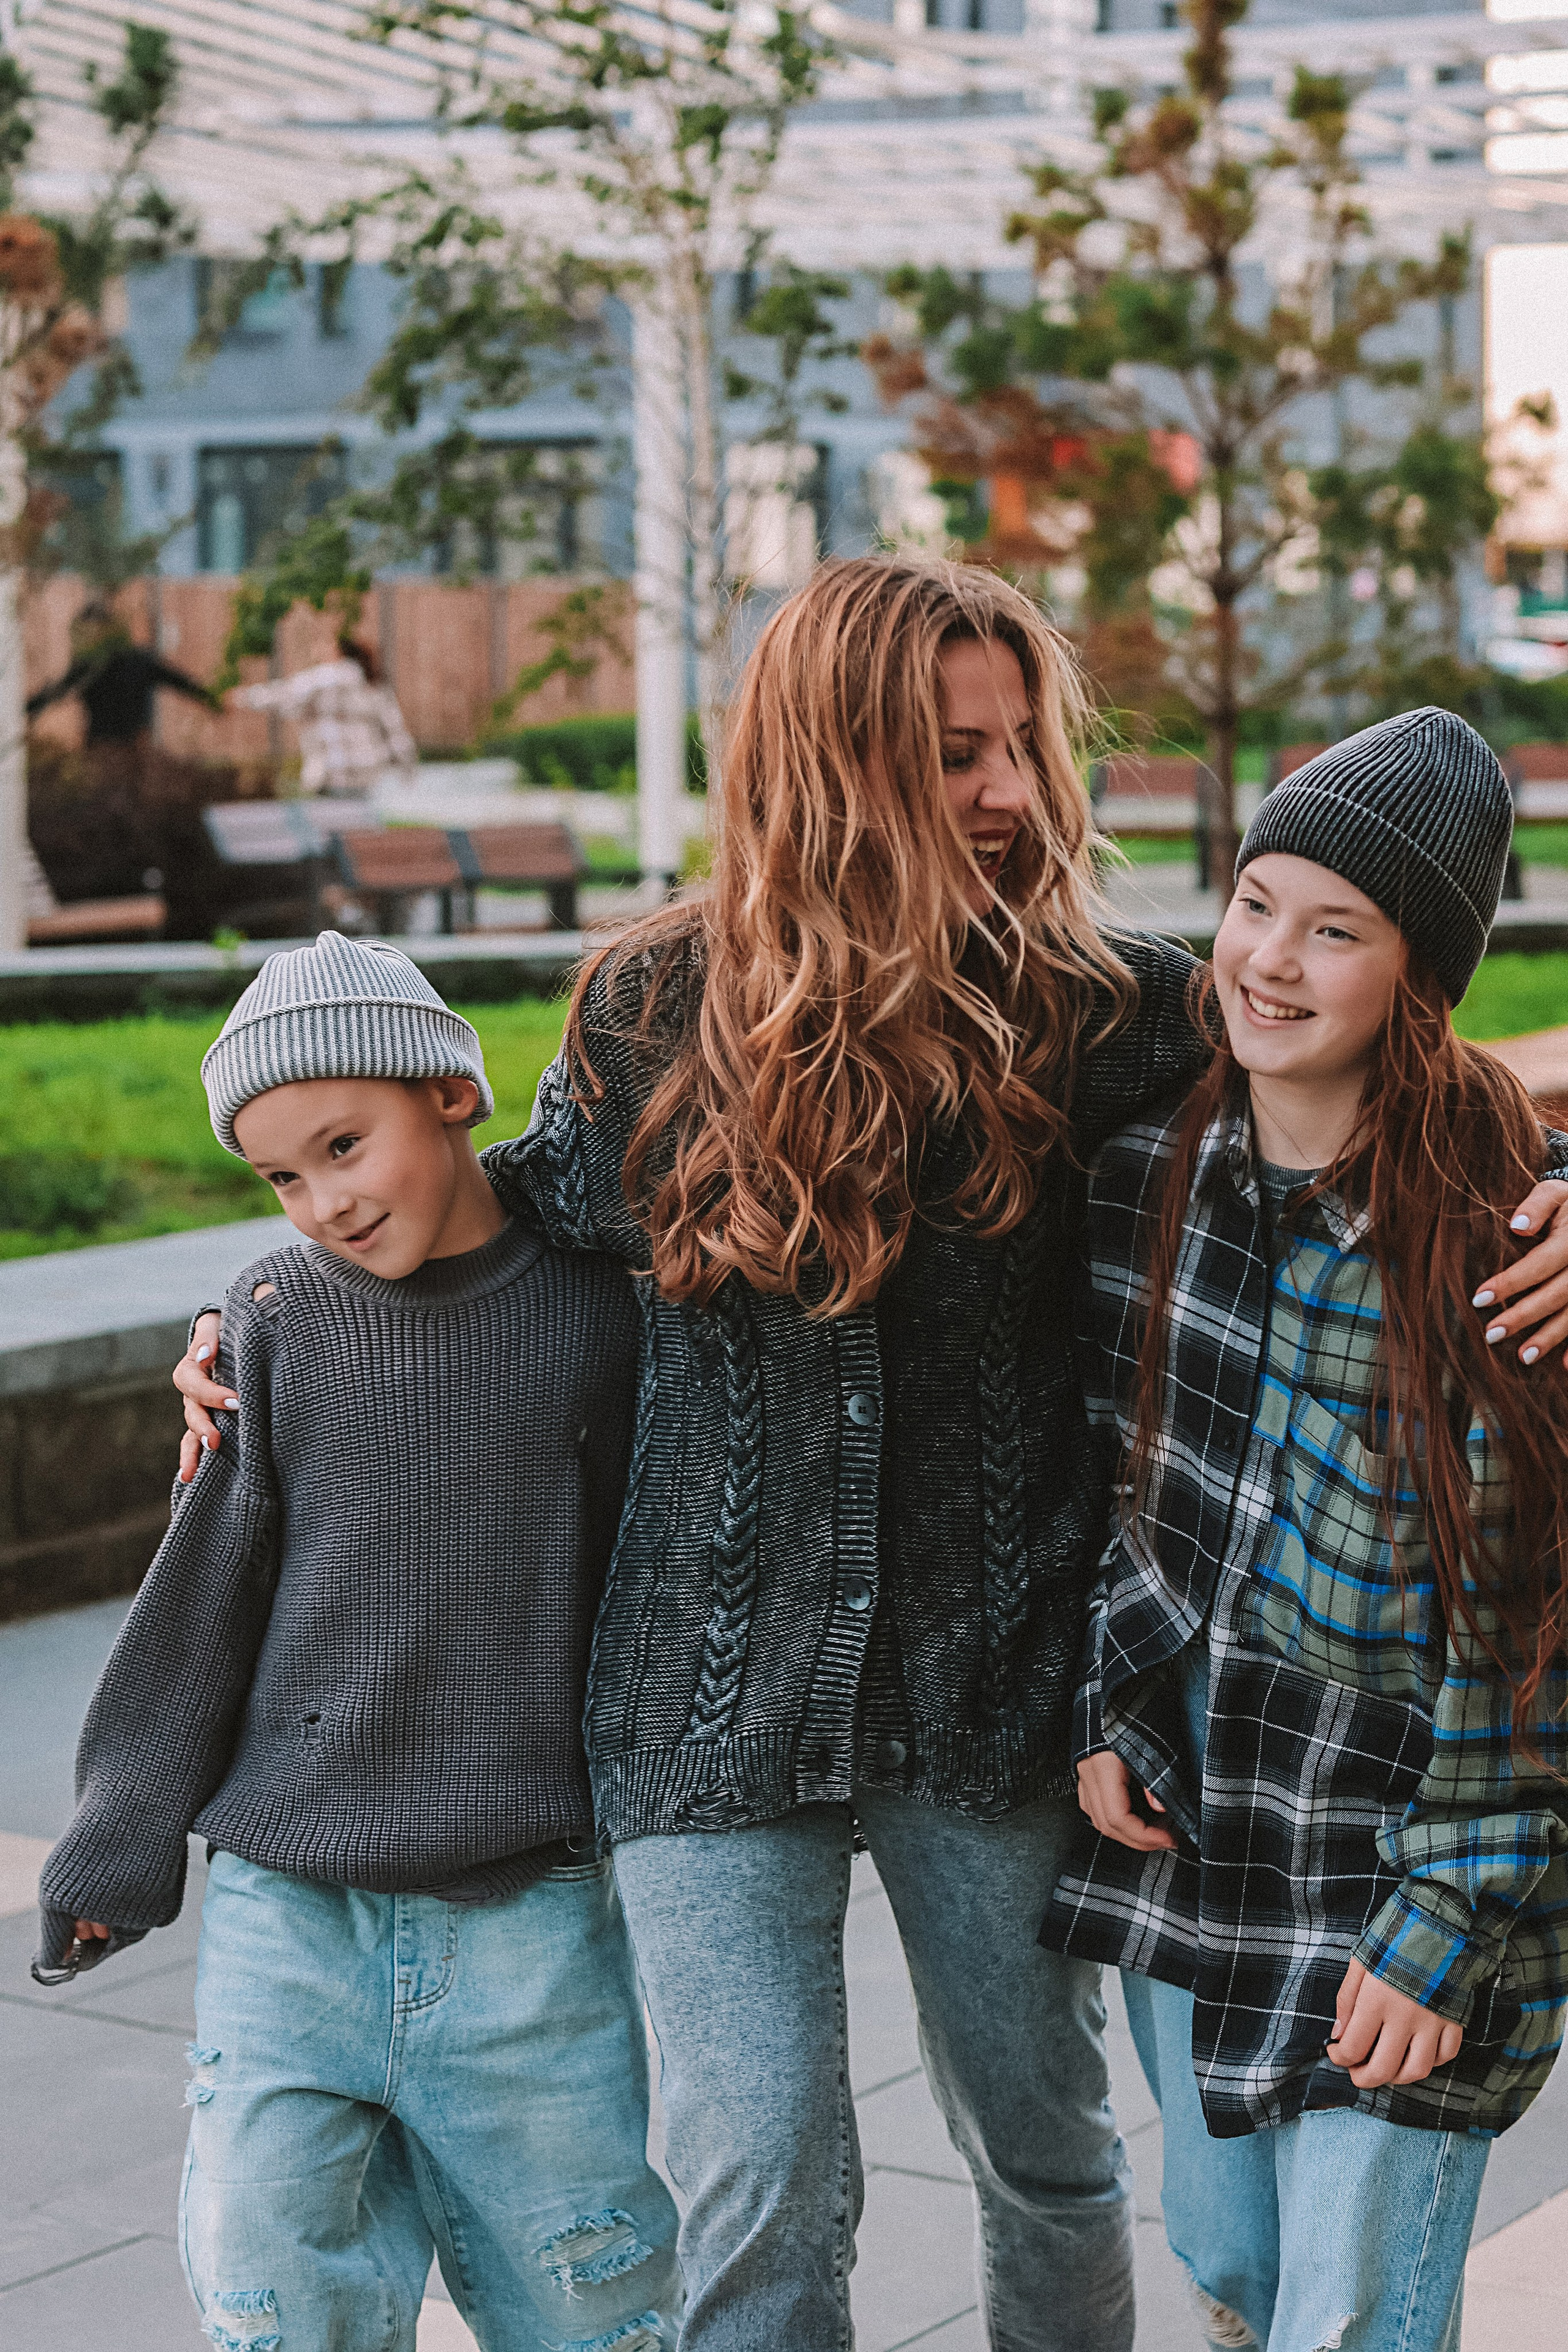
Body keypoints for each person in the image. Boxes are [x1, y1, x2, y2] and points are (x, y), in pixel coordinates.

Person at [173, 565, 1568, 2352]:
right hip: (702, 1696)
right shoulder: (649, 1009)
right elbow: (491, 1223)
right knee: (752, 2172)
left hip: (992, 1692)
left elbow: (1393, 1090)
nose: (1009, 790)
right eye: (953, 752)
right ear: (828, 761)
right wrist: (264, 1312)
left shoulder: (1107, 1012)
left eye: (1019, 746)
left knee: (1038, 2149)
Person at [34, 932, 680, 2352]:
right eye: (281, 1176)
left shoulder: (600, 1314)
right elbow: (202, 1592)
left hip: (531, 1924)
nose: (322, 1200)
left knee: (590, 2296)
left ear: (450, 1091)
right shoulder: (272, 1323)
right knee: (270, 2281)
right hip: (289, 1914)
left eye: (343, 1145)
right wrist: (114, 1839)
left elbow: (665, 1570)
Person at [1046, 710, 1568, 2352]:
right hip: (1204, 1813)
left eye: (1335, 930)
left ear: (1420, 980)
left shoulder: (1504, 1247)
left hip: (1415, 1837)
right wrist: (1114, 1702)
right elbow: (1120, 1477)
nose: (1268, 959)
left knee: (1346, 2317)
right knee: (1234, 2269)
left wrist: (1445, 1918)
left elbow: (1532, 1633)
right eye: (1255, 901)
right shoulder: (1150, 1173)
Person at [230, 635, 418, 797]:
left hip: (329, 776)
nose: (318, 653)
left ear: (338, 653)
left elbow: (282, 695)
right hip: (368, 777)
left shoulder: (322, 680)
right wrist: (408, 773)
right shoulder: (375, 687)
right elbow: (398, 737)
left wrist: (241, 697)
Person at [26, 599, 217, 741]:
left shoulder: (90, 668)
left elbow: (55, 692)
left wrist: (27, 709)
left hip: (110, 748)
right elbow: (180, 682)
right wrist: (211, 699)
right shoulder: (135, 662)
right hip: (125, 748)